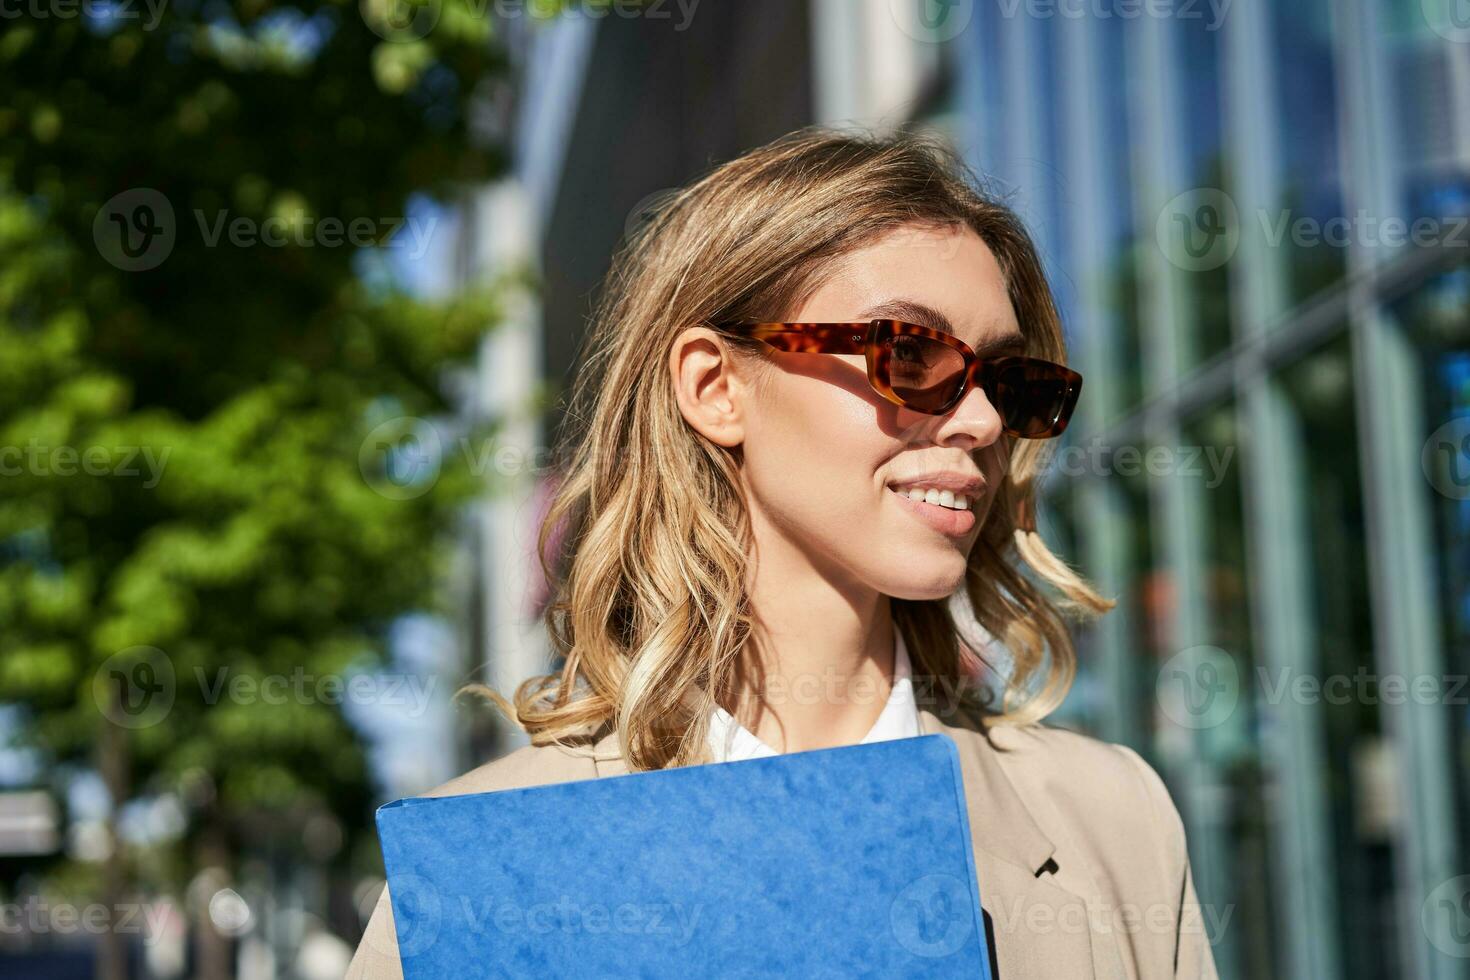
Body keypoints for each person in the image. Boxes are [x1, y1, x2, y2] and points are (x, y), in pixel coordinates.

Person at [346, 126, 1220, 979]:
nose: (985, 420)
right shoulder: (480, 877)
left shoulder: (1113, 820)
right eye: (908, 353)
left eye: (1005, 378)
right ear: (715, 386)